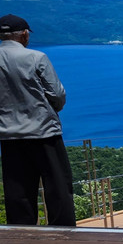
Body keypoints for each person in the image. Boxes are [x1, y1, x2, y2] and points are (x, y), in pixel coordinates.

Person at [0, 14, 76, 226]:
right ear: (24, 34)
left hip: (8, 135)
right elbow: (57, 94)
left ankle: (22, 234)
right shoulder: (36, 58)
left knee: (17, 190)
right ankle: (64, 233)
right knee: (58, 187)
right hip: (43, 132)